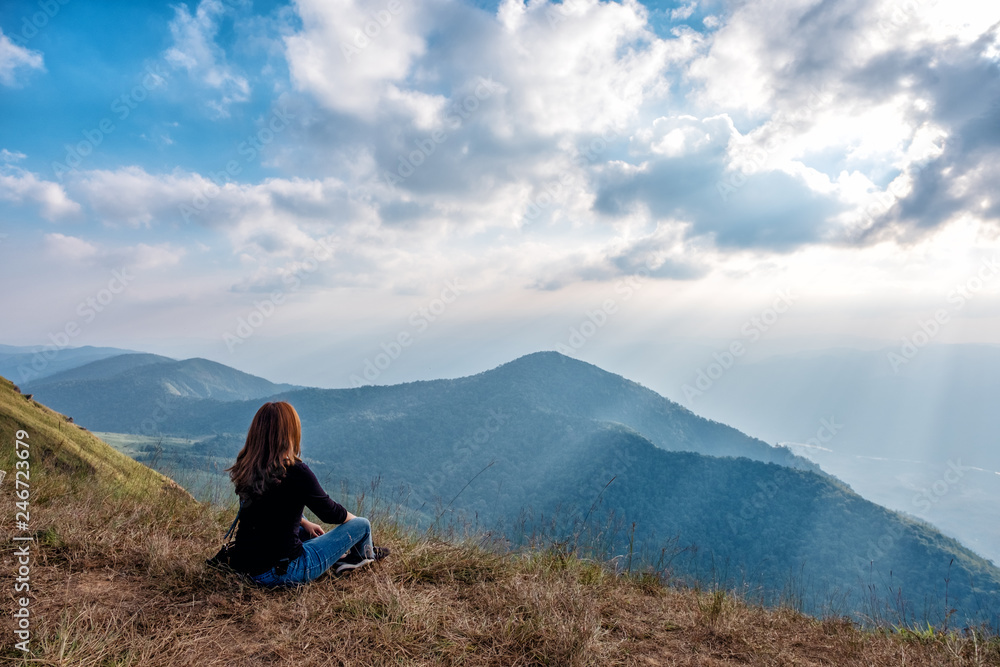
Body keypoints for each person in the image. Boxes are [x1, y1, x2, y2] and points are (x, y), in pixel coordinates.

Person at [224, 401, 389, 586]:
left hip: (244, 565)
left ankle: (347, 552)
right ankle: (360, 556)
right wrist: (353, 522)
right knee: (362, 525)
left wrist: (305, 522)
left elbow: (269, 508)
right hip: (282, 571)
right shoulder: (296, 471)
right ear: (290, 433)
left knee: (306, 532)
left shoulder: (248, 465)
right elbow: (330, 513)